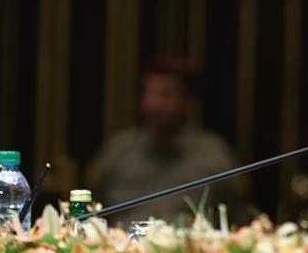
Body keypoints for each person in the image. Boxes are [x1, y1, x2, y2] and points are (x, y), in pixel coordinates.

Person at [88, 56, 249, 225]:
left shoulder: (214, 155)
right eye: (149, 93)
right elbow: (90, 211)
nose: (153, 103)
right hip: (123, 240)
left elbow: (239, 218)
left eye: (166, 94)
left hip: (189, 241)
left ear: (188, 101)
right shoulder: (118, 151)